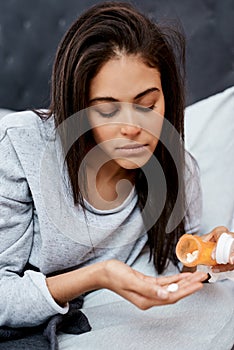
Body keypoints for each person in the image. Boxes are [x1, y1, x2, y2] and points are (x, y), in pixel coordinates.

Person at [0, 1, 233, 349]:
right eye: (107, 110)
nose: (133, 128)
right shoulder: (19, 148)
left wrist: (205, 256)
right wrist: (99, 274)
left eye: (147, 105)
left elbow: (173, 262)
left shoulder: (177, 169)